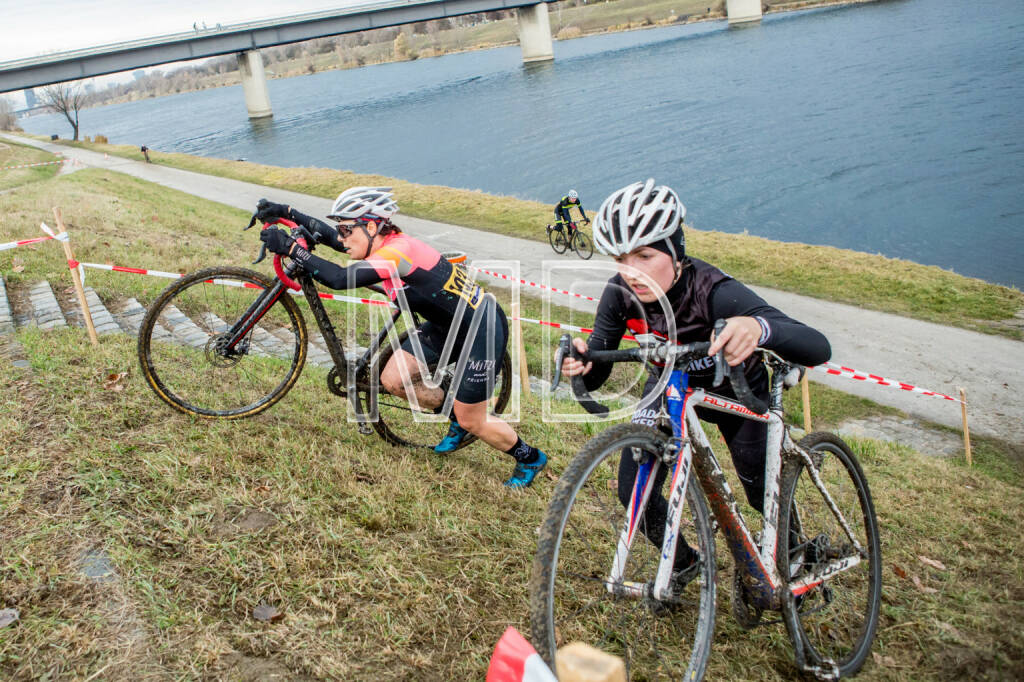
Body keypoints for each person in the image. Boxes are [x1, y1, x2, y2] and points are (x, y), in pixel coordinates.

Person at [559, 178, 831, 584]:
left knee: (759, 491)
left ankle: (792, 551)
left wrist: (757, 328)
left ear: (675, 250)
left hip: (738, 392)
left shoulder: (715, 291)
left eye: (645, 256)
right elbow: (598, 368)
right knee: (634, 494)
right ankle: (686, 561)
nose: (631, 272)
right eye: (620, 258)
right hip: (669, 389)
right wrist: (583, 365)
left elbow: (818, 347)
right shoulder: (618, 295)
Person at [255, 187, 548, 487]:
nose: (341, 237)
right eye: (341, 228)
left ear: (370, 226)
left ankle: (529, 457)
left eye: (346, 229)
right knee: (393, 380)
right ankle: (454, 416)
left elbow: (339, 279)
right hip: (446, 325)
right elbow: (331, 239)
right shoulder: (380, 244)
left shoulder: (398, 253)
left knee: (474, 419)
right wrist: (286, 212)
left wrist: (292, 249)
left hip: (481, 329)